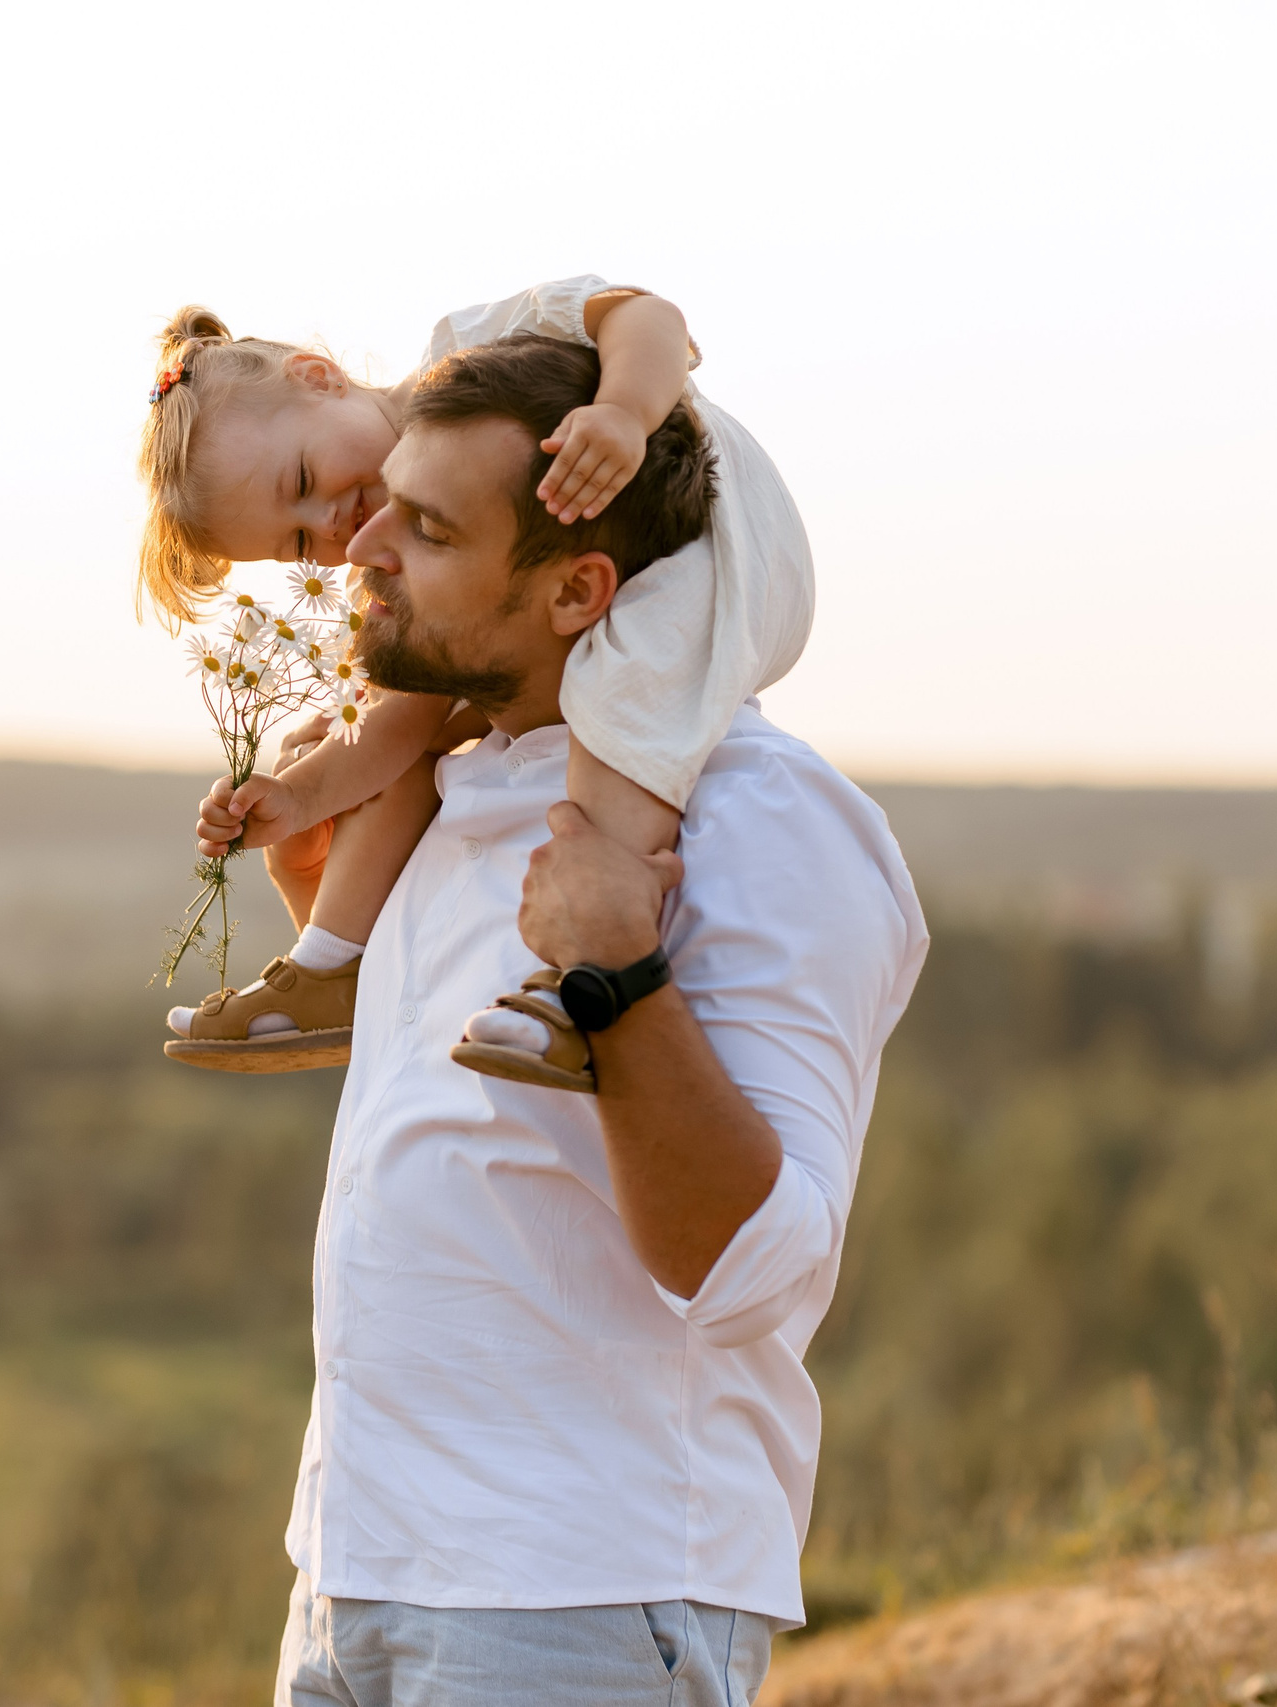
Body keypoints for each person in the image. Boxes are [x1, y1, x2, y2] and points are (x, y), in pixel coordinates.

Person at [260, 335, 926, 1705]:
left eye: (431, 527)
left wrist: (618, 969)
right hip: (351, 1579)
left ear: (579, 586)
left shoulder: (759, 814)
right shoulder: (457, 798)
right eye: (383, 497)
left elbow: (760, 1265)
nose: (365, 543)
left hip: (575, 1595)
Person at [141, 277, 816, 1092]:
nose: (330, 525)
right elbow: (398, 724)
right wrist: (300, 796)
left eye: (302, 481)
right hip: (581, 584)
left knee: (621, 691)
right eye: (294, 539)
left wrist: (624, 413)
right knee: (408, 680)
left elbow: (647, 316)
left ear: (319, 377)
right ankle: (331, 962)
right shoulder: (402, 560)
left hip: (716, 533)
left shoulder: (468, 356)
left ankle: (586, 975)